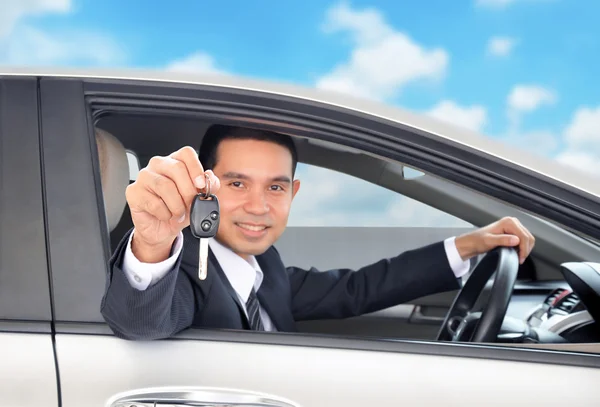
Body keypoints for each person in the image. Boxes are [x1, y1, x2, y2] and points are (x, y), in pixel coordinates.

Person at [100, 124, 535, 340]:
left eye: (276, 186)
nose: (259, 206)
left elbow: (354, 289)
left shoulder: (263, 265)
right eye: (236, 184)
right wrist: (154, 244)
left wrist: (468, 245)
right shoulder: (184, 275)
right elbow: (140, 321)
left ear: (294, 192)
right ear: (205, 189)